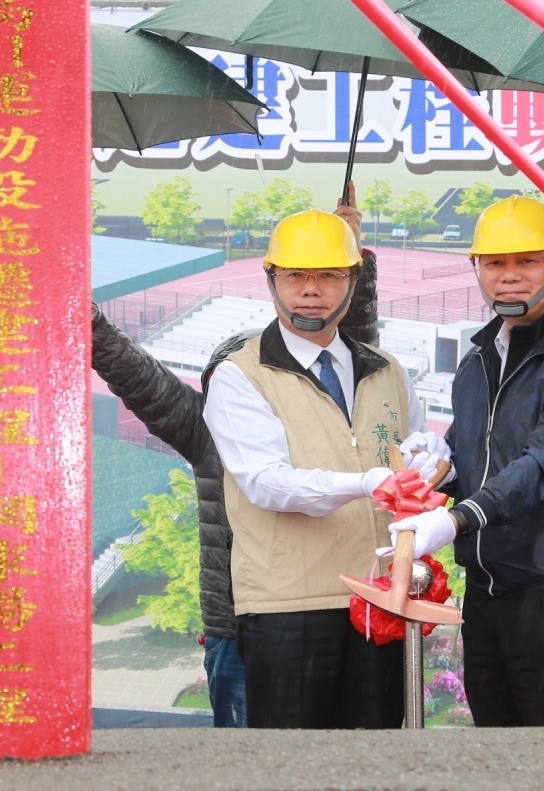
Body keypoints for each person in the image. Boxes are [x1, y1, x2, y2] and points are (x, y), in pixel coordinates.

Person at [90, 192, 379, 728]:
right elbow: (132, 372)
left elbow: (348, 353)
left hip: (332, 612)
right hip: (238, 629)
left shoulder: (313, 419)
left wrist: (348, 257)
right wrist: (84, 319)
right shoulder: (204, 429)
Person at [388, 195, 544, 727]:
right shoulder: (478, 358)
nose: (510, 277)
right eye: (495, 263)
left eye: (528, 261)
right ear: (476, 268)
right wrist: (442, 465)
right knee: (498, 757)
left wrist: (455, 518)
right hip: (489, 593)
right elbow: (477, 450)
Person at [202, 208, 442, 729]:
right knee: (294, 769)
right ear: (271, 280)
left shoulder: (386, 370)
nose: (312, 290)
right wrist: (364, 483)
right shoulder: (240, 375)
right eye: (295, 276)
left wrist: (428, 459)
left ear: (353, 282)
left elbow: (418, 450)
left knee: (375, 760)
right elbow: (265, 482)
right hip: (289, 605)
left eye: (329, 275)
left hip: (381, 596)